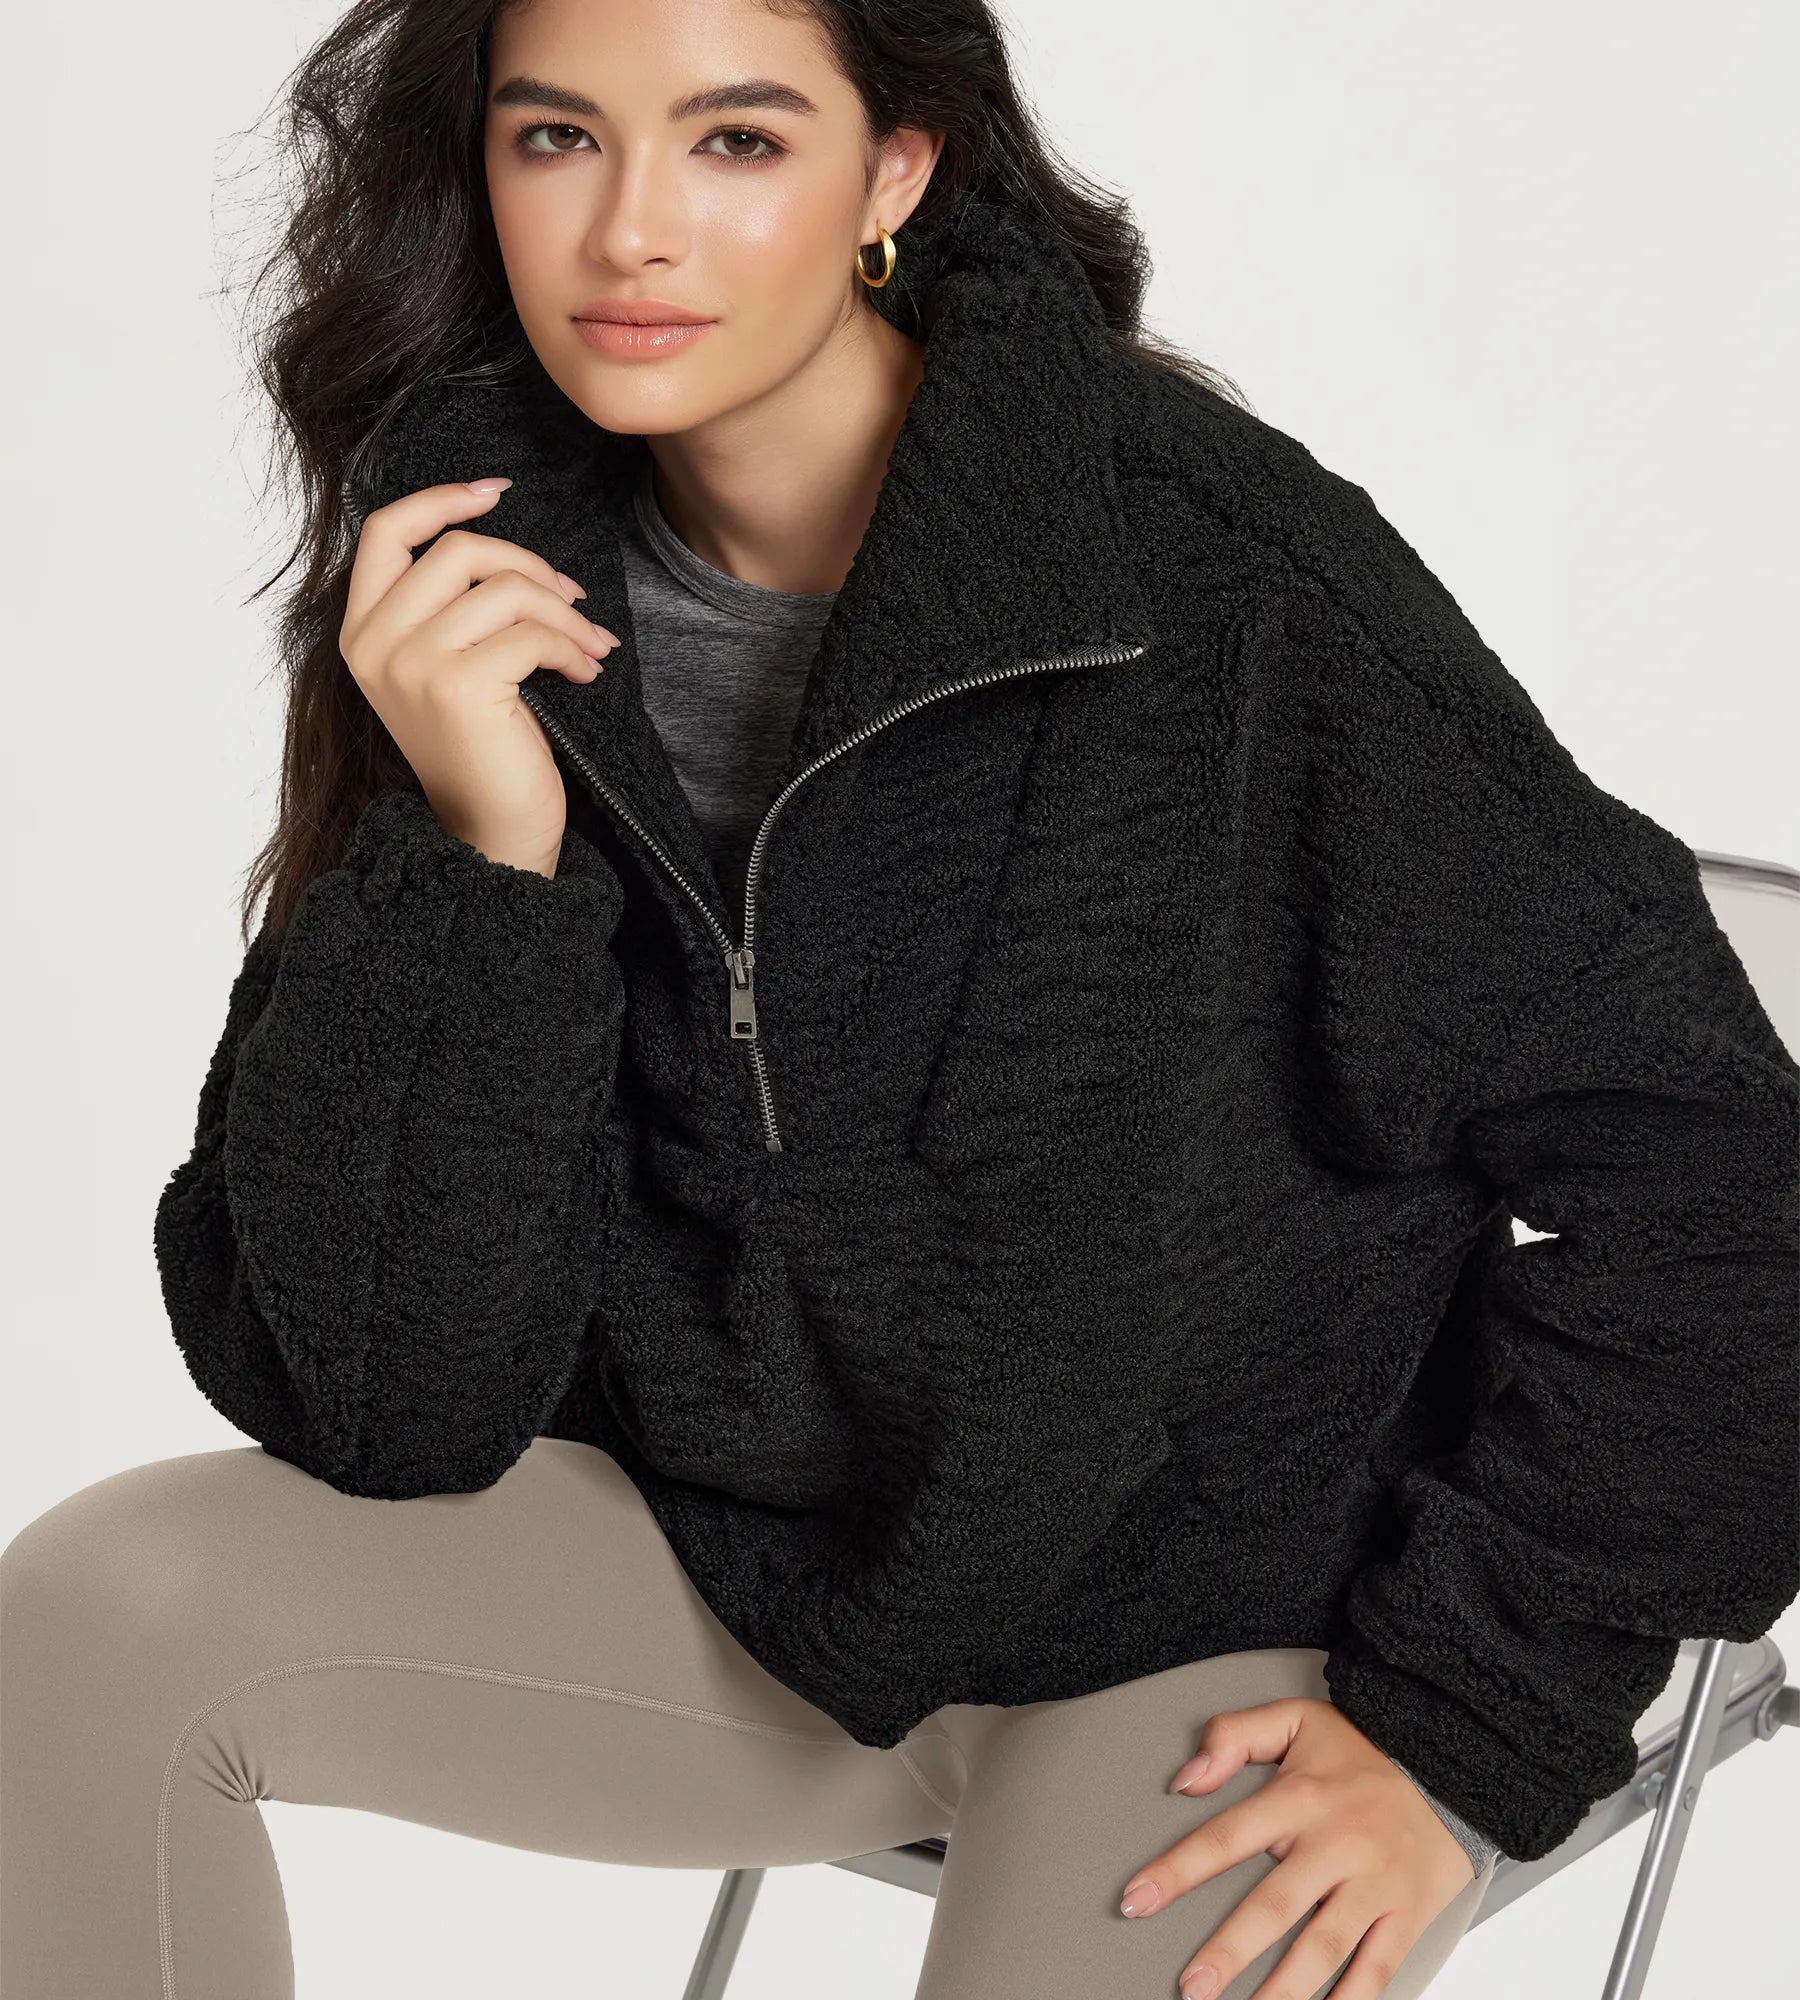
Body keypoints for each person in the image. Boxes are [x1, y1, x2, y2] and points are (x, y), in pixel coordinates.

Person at [4, 2, 1796, 1997]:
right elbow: (384, 1410)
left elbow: (1731, 1184)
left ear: (896, 170)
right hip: (752, 1583)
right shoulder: (463, 578)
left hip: (1225, 1625)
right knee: (97, 1622)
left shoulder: (1217, 573)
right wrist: (482, 856)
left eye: (737, 140)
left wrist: (1460, 1724)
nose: (631, 229)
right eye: (556, 137)